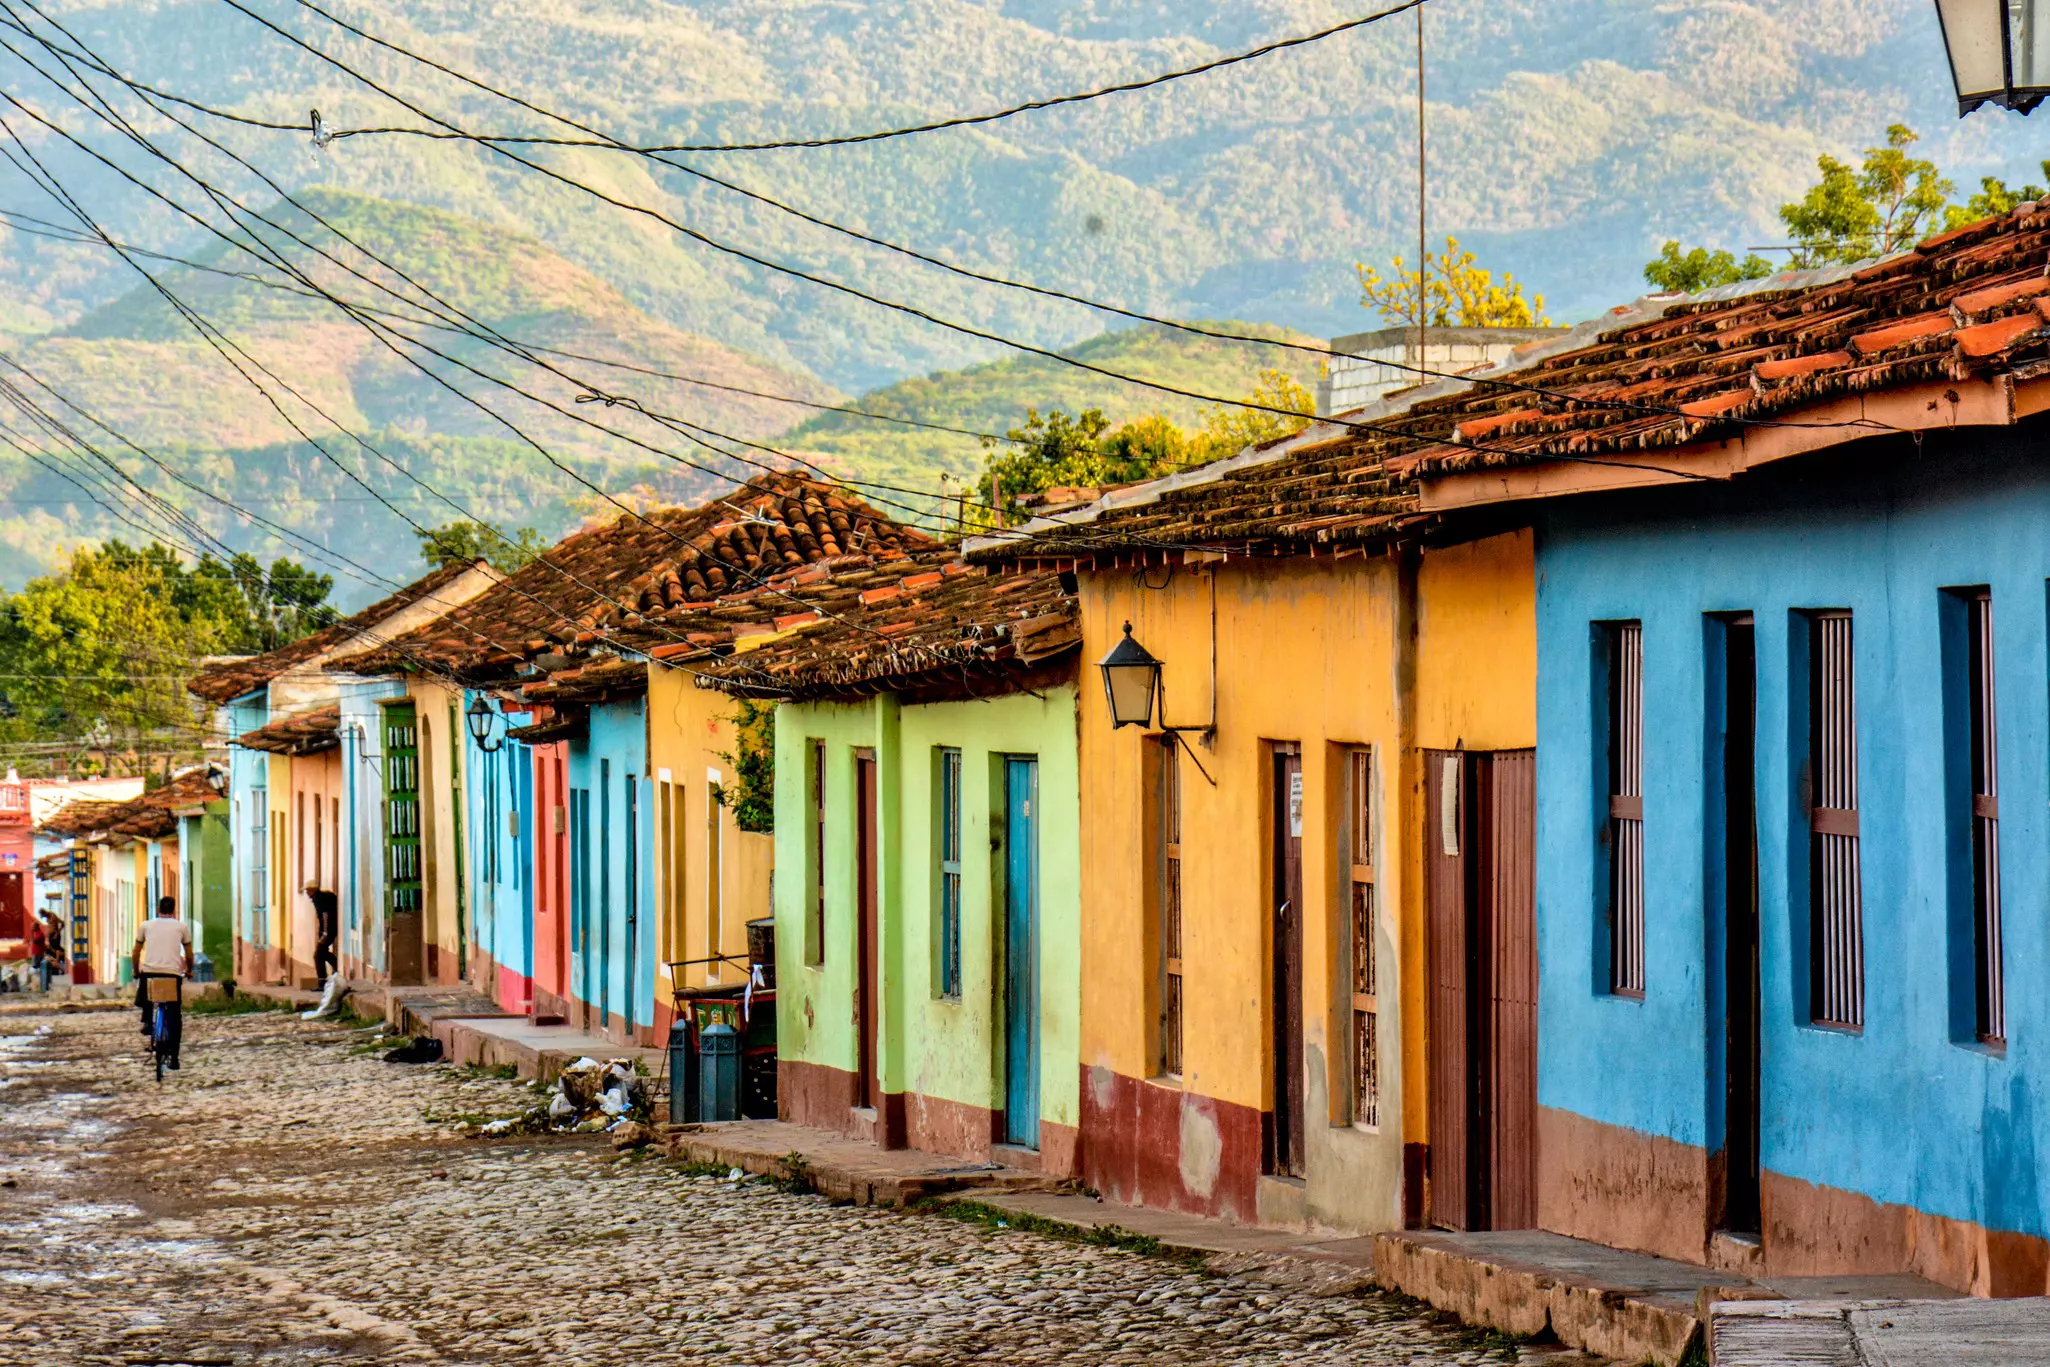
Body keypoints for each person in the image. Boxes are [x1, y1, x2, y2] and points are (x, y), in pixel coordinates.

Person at [132, 896, 191, 1069]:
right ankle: (174, 1058)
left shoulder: (146, 925)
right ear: (174, 910)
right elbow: (189, 954)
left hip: (150, 973)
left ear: (158, 909)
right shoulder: (181, 927)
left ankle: (148, 1023)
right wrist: (189, 970)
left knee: (145, 997)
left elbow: (135, 953)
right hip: (172, 975)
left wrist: (136, 971)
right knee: (174, 1017)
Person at [306, 881, 339, 984]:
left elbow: (325, 915)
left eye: (308, 890)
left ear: (312, 890)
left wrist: (324, 933)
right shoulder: (320, 898)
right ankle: (337, 968)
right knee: (322, 953)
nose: (307, 893)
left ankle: (322, 981)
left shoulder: (319, 899)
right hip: (329, 930)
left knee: (318, 954)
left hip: (327, 931)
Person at [26, 912, 47, 992]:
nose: (31, 928)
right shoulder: (37, 933)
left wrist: (31, 933)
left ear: (36, 927)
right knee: (35, 969)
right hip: (36, 953)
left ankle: (37, 984)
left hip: (38, 953)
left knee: (35, 968)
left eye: (32, 927)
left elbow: (34, 941)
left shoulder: (39, 934)